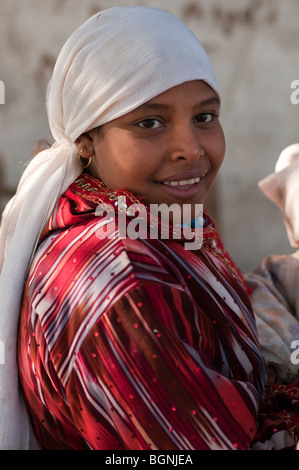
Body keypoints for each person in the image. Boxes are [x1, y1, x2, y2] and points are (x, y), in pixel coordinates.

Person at [0, 6, 298, 451]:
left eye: (204, 117)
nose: (190, 148)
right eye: (150, 122)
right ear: (86, 139)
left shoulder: (138, 219)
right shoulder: (120, 278)